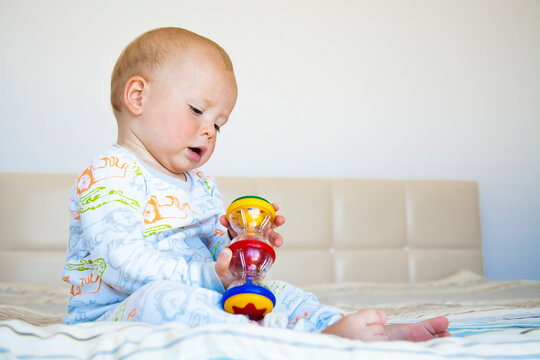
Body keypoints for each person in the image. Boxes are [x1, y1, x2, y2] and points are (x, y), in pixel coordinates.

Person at [62, 27, 450, 342]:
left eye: (218, 124)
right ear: (137, 97)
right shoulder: (109, 172)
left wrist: (243, 244)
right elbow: (121, 263)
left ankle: (350, 329)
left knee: (278, 291)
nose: (208, 131)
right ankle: (290, 339)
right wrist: (209, 277)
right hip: (114, 316)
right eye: (197, 110)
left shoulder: (201, 186)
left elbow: (219, 259)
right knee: (162, 300)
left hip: (201, 293)